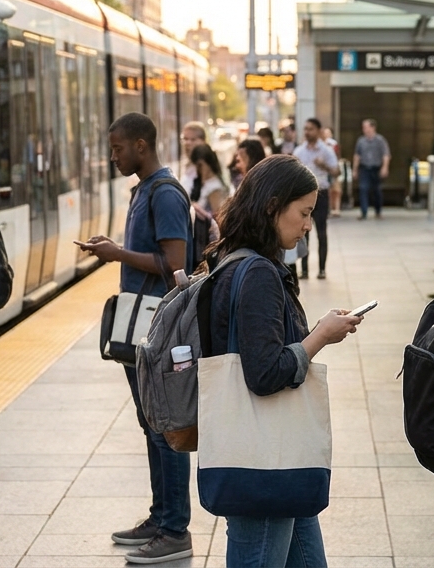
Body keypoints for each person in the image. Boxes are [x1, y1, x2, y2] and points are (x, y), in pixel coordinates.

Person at [205, 155, 362, 567]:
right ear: (273, 206)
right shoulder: (257, 272)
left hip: (280, 456)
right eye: (304, 213)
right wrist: (320, 337)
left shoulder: (235, 258)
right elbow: (265, 372)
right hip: (265, 460)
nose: (309, 224)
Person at [76, 112, 194, 565]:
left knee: (166, 428)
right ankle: (160, 515)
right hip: (142, 324)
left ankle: (174, 529)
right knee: (151, 425)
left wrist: (116, 254)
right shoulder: (144, 190)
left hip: (158, 325)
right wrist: (114, 248)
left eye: (118, 149)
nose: (114, 156)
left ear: (142, 146)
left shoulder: (164, 194)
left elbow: (174, 262)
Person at [292, 118, 338, 280]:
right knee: (303, 233)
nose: (307, 132)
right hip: (304, 197)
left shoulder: (326, 151)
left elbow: (336, 172)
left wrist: (323, 165)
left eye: (310, 129)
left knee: (321, 232)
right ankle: (304, 270)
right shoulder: (299, 152)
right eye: (305, 129)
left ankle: (322, 269)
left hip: (321, 194)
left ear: (318, 131)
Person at [189, 143, 228, 267]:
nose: (199, 170)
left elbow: (219, 215)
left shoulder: (215, 187)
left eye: (200, 165)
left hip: (208, 240)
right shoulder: (203, 183)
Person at [352, 119, 390, 220]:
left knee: (377, 190)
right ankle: (363, 212)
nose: (364, 129)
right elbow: (357, 156)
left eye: (366, 127)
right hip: (364, 168)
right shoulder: (361, 141)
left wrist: (385, 167)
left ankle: (378, 211)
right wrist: (355, 169)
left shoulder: (380, 140)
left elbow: (386, 155)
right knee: (363, 189)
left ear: (373, 127)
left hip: (376, 168)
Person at [179, 121, 207, 196]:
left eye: (193, 139)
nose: (187, 143)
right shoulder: (187, 164)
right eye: (185, 139)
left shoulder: (207, 165)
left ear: (203, 141)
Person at [321, 127, 343, 217]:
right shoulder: (320, 145)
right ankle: (328, 208)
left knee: (336, 189)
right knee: (327, 190)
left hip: (333, 167)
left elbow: (338, 155)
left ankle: (336, 208)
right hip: (323, 169)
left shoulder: (333, 144)